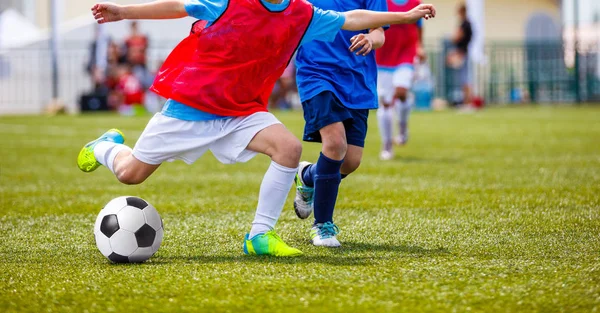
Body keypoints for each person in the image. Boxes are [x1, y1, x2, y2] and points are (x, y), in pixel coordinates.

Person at [80, 0, 436, 256]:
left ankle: (260, 235)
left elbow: (351, 18)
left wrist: (404, 16)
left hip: (241, 110)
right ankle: (103, 146)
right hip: (192, 106)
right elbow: (178, 6)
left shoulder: (301, 12)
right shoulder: (230, 2)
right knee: (130, 173)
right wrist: (123, 11)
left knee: (288, 147)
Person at [293, 0, 434, 247]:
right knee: (335, 145)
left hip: (357, 80)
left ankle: (308, 176)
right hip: (316, 73)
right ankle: (323, 226)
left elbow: (378, 32)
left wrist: (371, 40)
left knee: (350, 161)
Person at [375, 0, 425, 160]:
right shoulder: (381, 2)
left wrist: (420, 46)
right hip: (383, 57)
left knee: (401, 91)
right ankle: (387, 146)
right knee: (386, 102)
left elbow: (419, 26)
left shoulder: (414, 2)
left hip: (406, 54)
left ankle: (402, 129)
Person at [448, 2, 472, 106]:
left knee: (464, 79)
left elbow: (456, 38)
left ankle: (467, 102)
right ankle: (466, 102)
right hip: (464, 52)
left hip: (462, 54)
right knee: (464, 78)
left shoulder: (464, 24)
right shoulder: (468, 23)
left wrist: (453, 37)